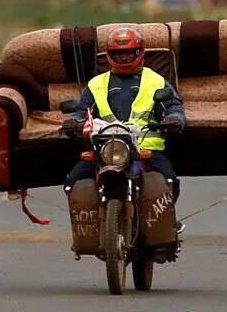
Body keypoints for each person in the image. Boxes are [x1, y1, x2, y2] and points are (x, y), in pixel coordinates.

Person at [61, 27, 187, 218]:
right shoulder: (96, 84)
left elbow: (174, 107)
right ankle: (91, 223)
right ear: (109, 56)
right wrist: (73, 122)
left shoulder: (155, 81)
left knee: (169, 179)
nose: (124, 58)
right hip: (105, 150)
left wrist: (175, 119)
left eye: (129, 53)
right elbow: (81, 112)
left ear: (139, 52)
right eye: (118, 54)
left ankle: (166, 222)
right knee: (72, 181)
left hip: (144, 150)